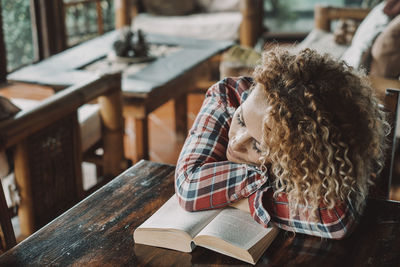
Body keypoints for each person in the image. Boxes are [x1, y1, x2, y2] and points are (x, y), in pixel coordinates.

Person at [175, 48, 388, 239]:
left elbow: (335, 219)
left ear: (297, 161)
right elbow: (188, 185)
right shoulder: (228, 96)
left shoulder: (317, 159)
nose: (237, 142)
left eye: (258, 146)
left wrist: (239, 197)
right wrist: (262, 185)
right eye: (241, 120)